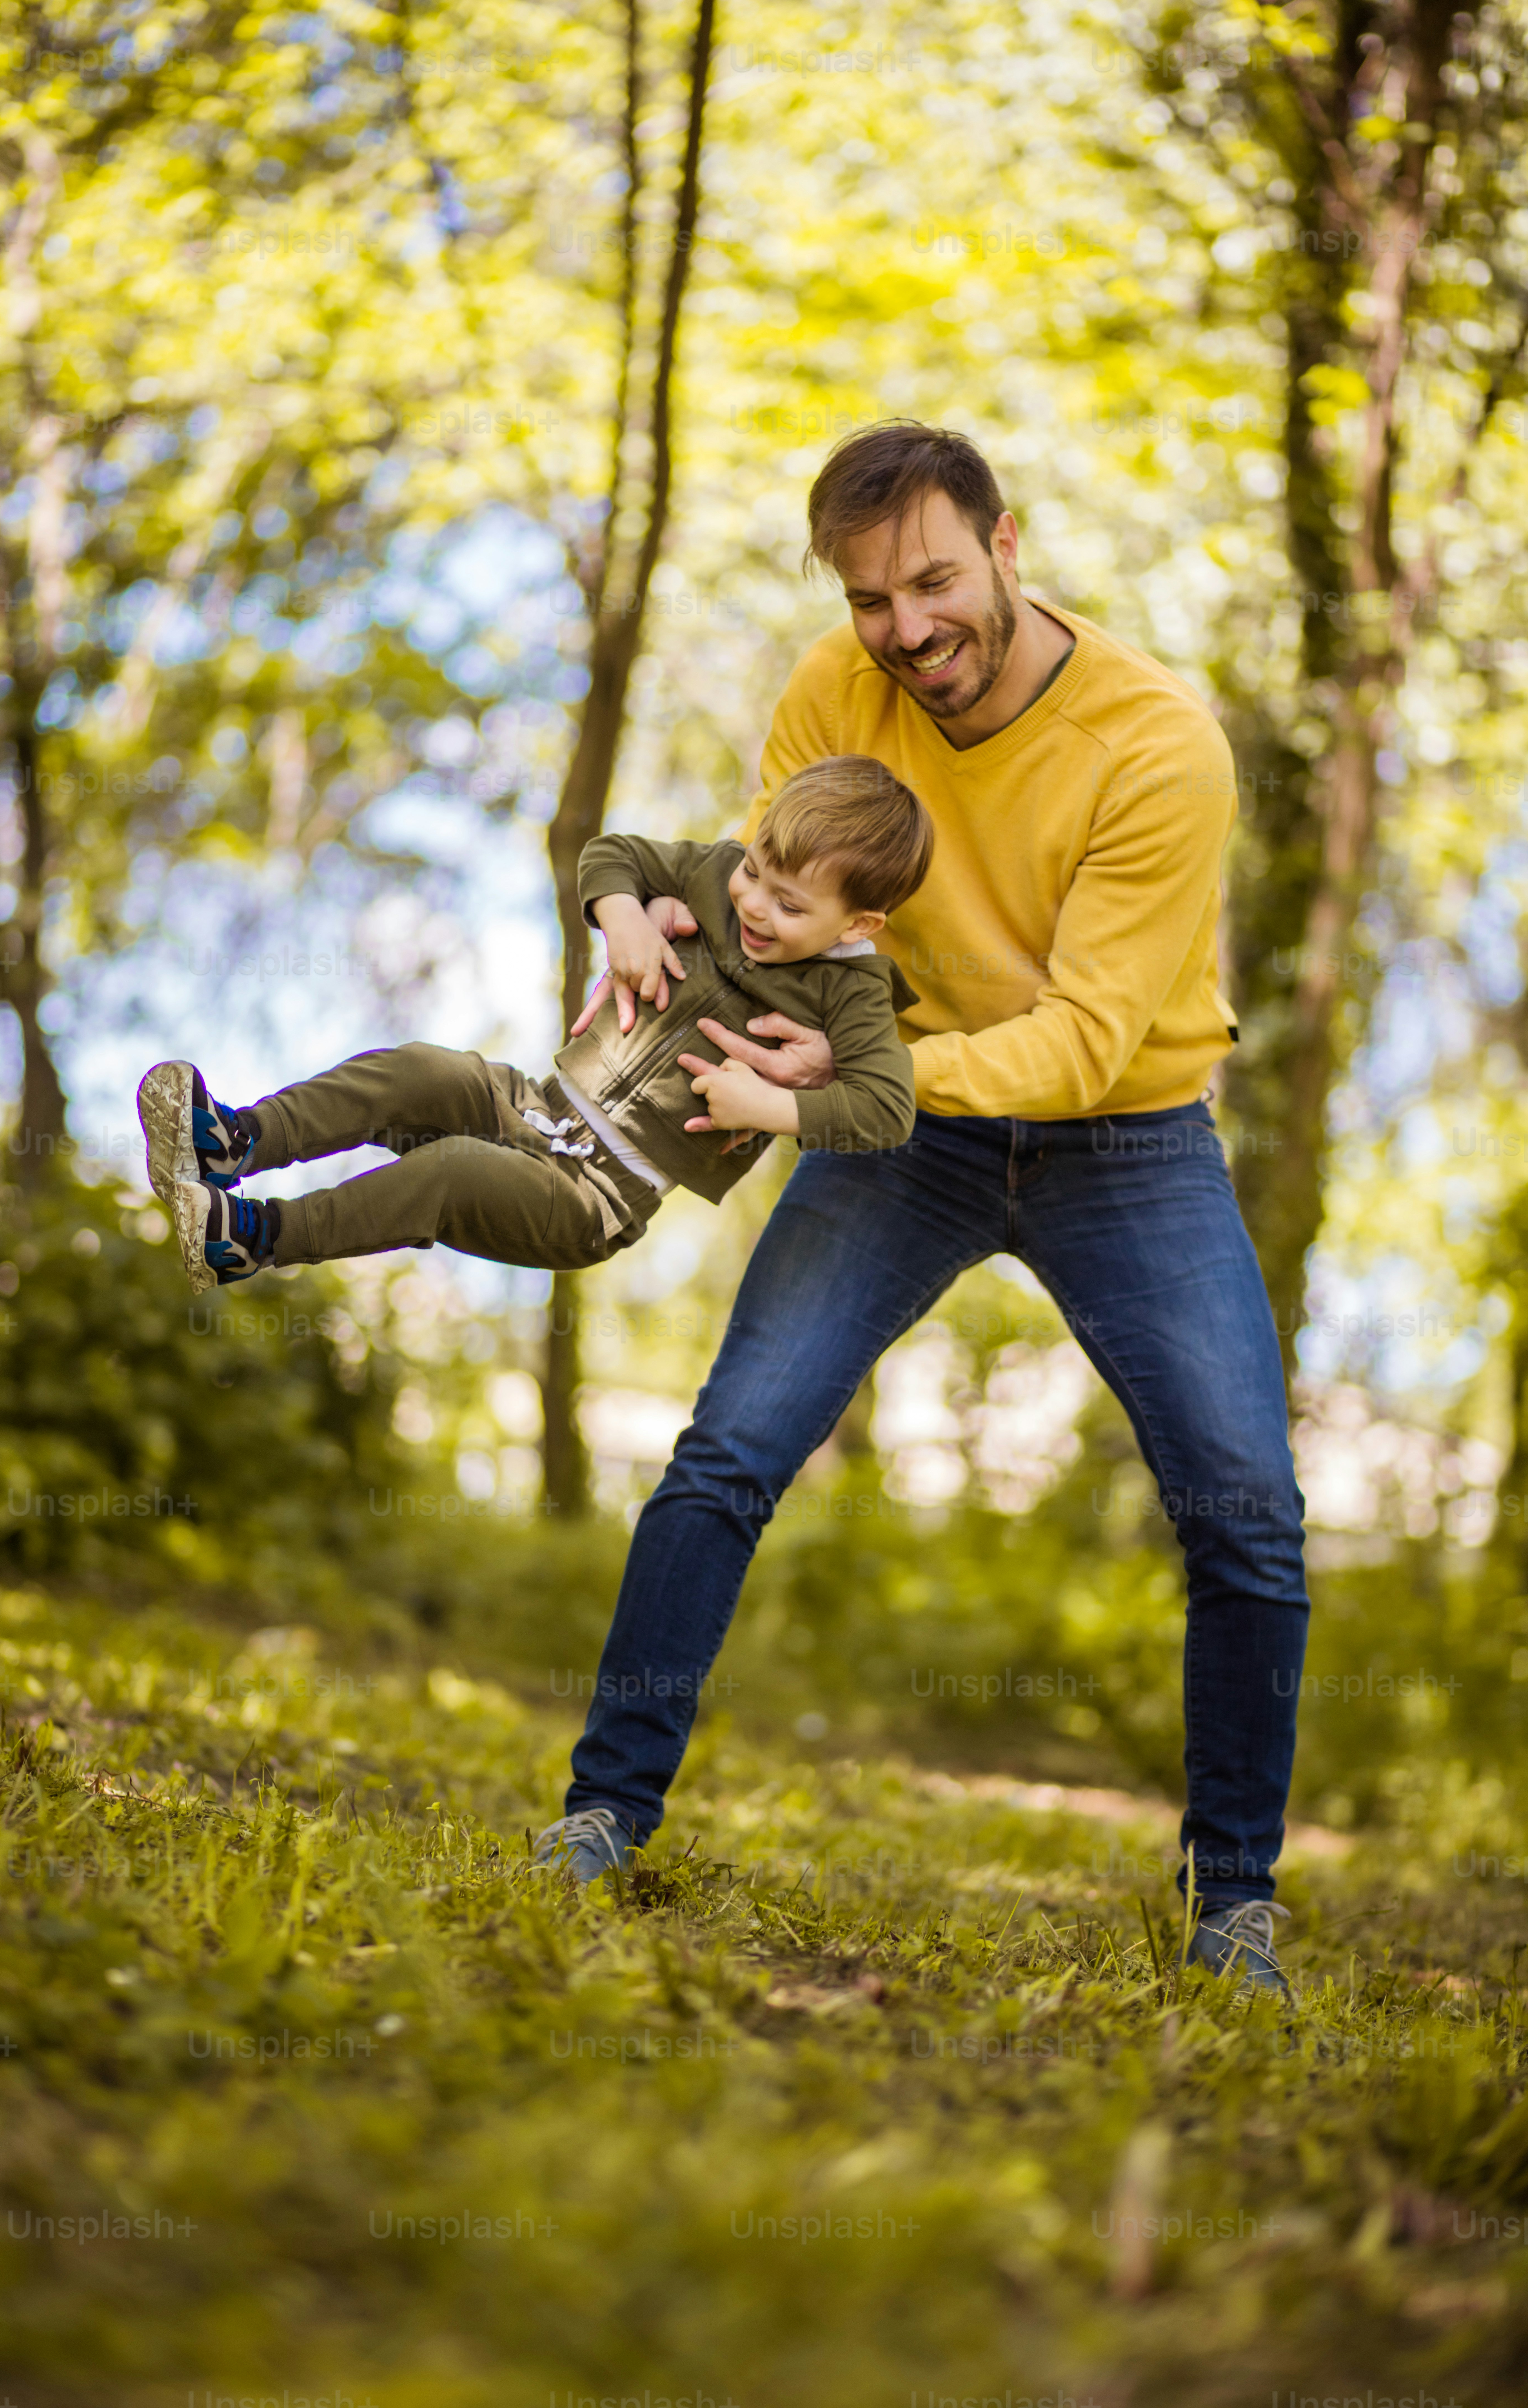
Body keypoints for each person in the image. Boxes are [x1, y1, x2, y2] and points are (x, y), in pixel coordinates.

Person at [545, 421, 1309, 1998]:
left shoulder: (1156, 745)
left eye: (937, 580)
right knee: (730, 1450)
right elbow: (778, 920)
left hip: (1126, 1141)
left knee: (1245, 1512)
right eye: (870, 595)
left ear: (1009, 545)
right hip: (894, 1121)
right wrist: (649, 941)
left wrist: (862, 1072)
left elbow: (1091, 1040)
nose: (906, 630)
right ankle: (602, 1818)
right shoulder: (839, 692)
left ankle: (1234, 1900)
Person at [135, 755, 932, 1301]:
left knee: (450, 1174)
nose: (754, 903)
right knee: (421, 1072)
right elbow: (615, 853)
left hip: (595, 1193)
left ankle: (251, 1238)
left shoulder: (851, 994)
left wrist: (767, 1110)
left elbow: (885, 1108)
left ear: (858, 920)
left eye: (790, 904)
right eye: (755, 870)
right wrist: (623, 917)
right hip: (537, 1104)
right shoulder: (717, 873)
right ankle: (232, 1142)